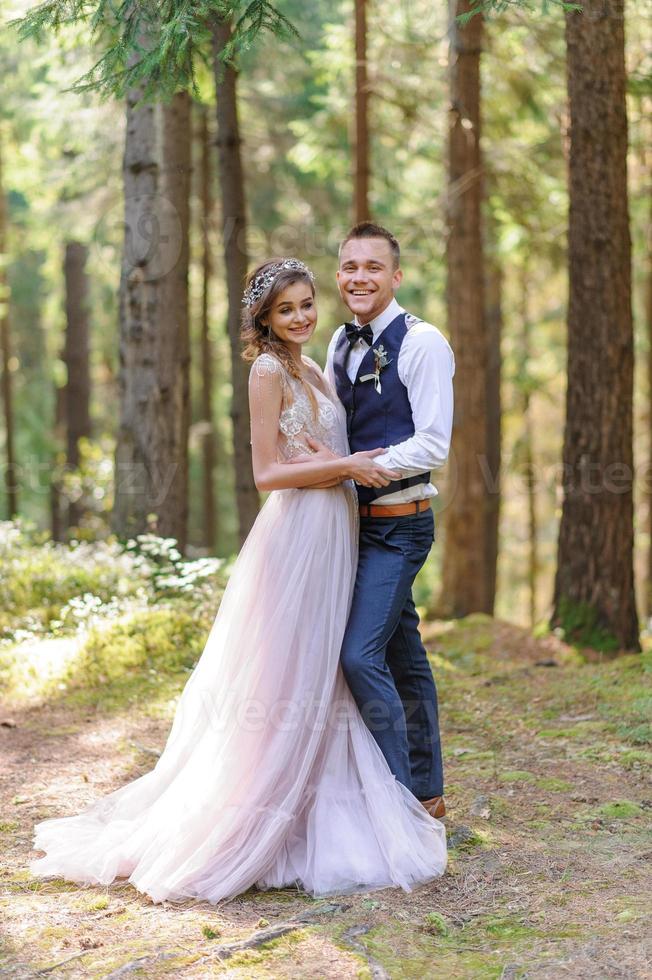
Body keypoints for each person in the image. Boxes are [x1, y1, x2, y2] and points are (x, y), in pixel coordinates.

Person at [29, 257, 447, 905]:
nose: (302, 316)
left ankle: (339, 794)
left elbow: (324, 447)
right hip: (300, 533)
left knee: (326, 665)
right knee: (289, 668)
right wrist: (343, 467)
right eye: (286, 310)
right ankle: (263, 805)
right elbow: (268, 475)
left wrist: (340, 465)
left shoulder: (315, 365)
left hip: (336, 530)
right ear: (263, 319)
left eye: (307, 303)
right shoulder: (266, 371)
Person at [325, 222, 455, 821]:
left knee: (358, 657)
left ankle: (396, 801)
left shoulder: (423, 342)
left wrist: (360, 469)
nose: (360, 277)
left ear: (395, 276)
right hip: (353, 529)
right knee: (404, 656)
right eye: (350, 266)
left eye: (373, 267)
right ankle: (427, 795)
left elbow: (433, 443)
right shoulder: (337, 343)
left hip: (401, 526)